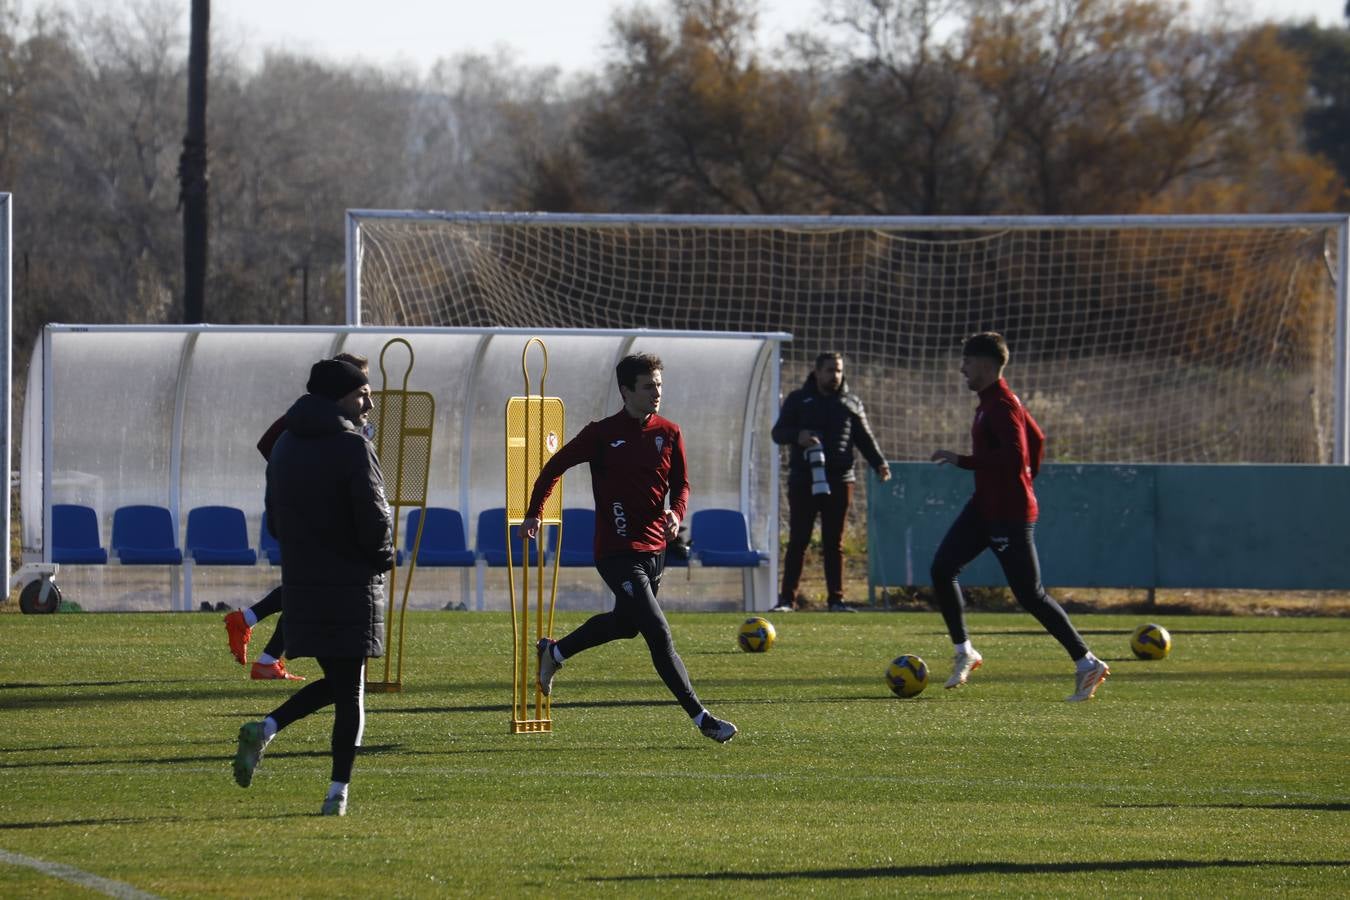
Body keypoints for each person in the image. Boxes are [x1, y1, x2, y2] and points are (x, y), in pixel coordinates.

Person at [520, 353, 737, 744]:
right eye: (648, 386)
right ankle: (701, 717)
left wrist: (677, 511)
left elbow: (682, 484)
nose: (656, 393)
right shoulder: (601, 434)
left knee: (625, 625)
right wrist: (534, 513)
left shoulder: (669, 432)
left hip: (656, 550)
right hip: (616, 552)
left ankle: (554, 653)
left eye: (659, 385)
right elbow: (554, 467)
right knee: (657, 632)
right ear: (625, 391)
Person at [232, 358, 394, 815]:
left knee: (343, 681)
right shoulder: (352, 446)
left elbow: (277, 522)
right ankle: (336, 795)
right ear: (342, 395)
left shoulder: (284, 444)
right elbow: (374, 519)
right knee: (352, 694)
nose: (369, 402)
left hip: (302, 581)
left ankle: (265, 728)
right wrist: (384, 559)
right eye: (363, 392)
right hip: (350, 584)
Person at [927, 332, 1108, 702]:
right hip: (985, 506)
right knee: (943, 568)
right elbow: (1037, 440)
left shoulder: (1001, 405)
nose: (962, 368)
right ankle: (965, 652)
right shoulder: (991, 402)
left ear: (987, 365)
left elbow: (1014, 456)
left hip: (1007, 514)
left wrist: (964, 461)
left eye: (967, 361)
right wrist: (1026, 479)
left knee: (1030, 594)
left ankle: (1087, 663)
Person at [224, 352, 370, 680]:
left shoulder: (342, 421)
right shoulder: (309, 413)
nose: (366, 395)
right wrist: (298, 475)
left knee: (305, 592)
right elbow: (268, 443)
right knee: (308, 592)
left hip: (316, 517)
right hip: (308, 517)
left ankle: (262, 649)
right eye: (360, 385)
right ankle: (257, 640)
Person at [770, 352, 890, 612]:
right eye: (829, 370)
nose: (834, 376)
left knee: (834, 543)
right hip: (804, 478)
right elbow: (777, 433)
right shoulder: (798, 400)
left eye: (838, 371)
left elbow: (864, 438)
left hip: (840, 479)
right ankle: (787, 601)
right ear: (817, 371)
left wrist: (879, 462)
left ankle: (836, 600)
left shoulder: (850, 402)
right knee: (798, 539)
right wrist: (798, 435)